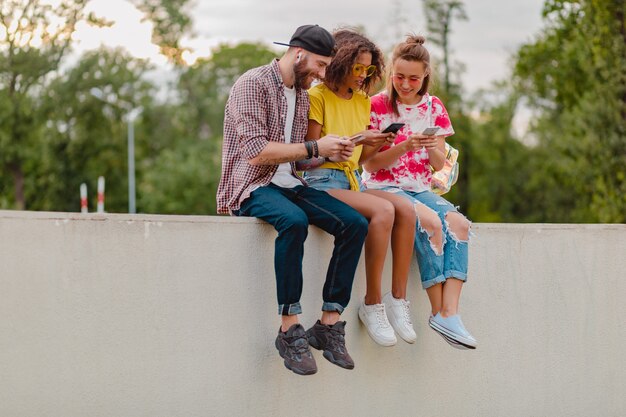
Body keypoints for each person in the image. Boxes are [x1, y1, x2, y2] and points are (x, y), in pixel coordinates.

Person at [216, 24, 370, 375]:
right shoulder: (252, 84)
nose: (320, 74)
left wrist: (333, 149)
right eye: (318, 65)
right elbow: (256, 153)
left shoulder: (301, 94)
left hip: (290, 182)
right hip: (250, 186)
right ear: (298, 53)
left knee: (354, 224)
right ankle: (289, 328)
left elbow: (299, 159)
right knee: (294, 222)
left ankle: (329, 322)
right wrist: (315, 146)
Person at [302, 29, 418, 347]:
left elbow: (363, 161)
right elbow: (306, 158)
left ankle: (397, 299)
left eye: (368, 69)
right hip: (321, 183)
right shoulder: (317, 96)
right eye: (357, 68)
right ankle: (371, 303)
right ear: (339, 62)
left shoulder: (363, 101)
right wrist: (355, 140)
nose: (363, 75)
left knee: (404, 208)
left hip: (353, 182)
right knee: (382, 209)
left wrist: (378, 142)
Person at [362, 35, 477, 349]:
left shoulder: (434, 107)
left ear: (425, 75)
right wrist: (402, 147)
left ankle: (449, 314)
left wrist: (429, 149)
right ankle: (437, 311)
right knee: (430, 222)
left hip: (419, 188)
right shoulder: (377, 106)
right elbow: (370, 166)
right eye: (399, 77)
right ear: (391, 74)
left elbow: (439, 163)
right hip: (382, 187)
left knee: (460, 225)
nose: (406, 84)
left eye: (413, 78)